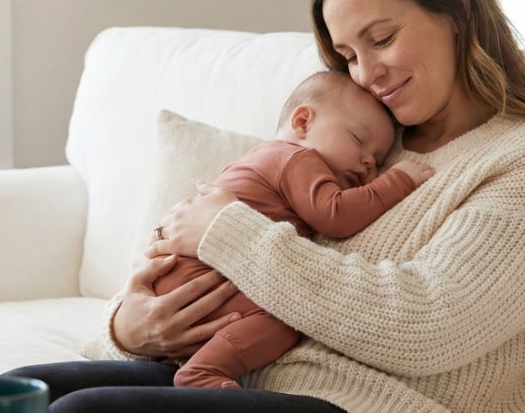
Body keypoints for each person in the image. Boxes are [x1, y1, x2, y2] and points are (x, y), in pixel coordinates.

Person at [2, 0, 525, 413]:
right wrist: (129, 329)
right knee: (11, 397)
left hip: (379, 409)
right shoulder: (366, 142)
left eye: (382, 39)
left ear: (458, 7)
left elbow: (429, 326)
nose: (369, 74)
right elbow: (225, 252)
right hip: (241, 372)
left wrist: (228, 232)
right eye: (348, 55)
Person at [160, 71, 434, 389]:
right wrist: (398, 179)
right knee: (289, 310)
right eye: (359, 141)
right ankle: (203, 372)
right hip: (203, 276)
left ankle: (193, 363)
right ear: (303, 122)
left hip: (178, 282)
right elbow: (336, 215)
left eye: (378, 159)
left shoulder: (261, 159)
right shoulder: (297, 158)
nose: (368, 165)